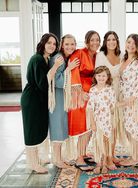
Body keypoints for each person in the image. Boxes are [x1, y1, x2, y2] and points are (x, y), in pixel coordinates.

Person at [21, 33, 62, 173]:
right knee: (32, 131)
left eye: (54, 44)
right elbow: (42, 84)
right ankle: (33, 163)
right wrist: (56, 67)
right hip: (32, 99)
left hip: (39, 99)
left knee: (39, 128)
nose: (52, 46)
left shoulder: (46, 58)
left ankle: (40, 158)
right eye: (49, 43)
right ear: (43, 43)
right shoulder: (37, 59)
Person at [65, 30, 100, 171]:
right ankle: (79, 159)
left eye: (97, 40)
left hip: (92, 94)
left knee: (90, 126)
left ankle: (83, 153)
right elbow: (73, 73)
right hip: (80, 95)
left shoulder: (97, 56)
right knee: (83, 127)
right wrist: (81, 92)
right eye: (92, 40)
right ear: (87, 41)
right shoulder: (79, 53)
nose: (95, 42)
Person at [47, 34, 79, 168]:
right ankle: (57, 159)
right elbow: (58, 81)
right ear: (62, 45)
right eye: (67, 44)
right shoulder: (58, 58)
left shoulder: (65, 57)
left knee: (60, 127)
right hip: (56, 99)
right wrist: (69, 69)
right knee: (57, 128)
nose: (70, 47)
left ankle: (59, 158)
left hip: (61, 98)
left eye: (72, 44)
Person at [118, 34, 138, 166]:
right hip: (125, 99)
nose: (131, 45)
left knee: (136, 129)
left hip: (136, 101)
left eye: (134, 44)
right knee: (129, 128)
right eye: (129, 42)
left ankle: (137, 158)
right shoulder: (123, 60)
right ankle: (135, 155)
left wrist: (130, 100)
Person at [95, 31, 122, 169]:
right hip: (105, 94)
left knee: (115, 126)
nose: (111, 42)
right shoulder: (100, 55)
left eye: (114, 39)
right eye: (109, 39)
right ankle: (105, 157)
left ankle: (111, 154)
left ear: (117, 41)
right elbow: (98, 74)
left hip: (118, 93)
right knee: (106, 127)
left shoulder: (121, 55)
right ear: (105, 42)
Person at [86, 66, 116, 174]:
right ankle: (98, 163)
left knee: (106, 141)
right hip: (97, 119)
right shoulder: (93, 90)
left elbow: (113, 107)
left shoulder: (110, 89)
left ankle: (104, 164)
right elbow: (89, 108)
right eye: (99, 75)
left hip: (107, 119)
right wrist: (92, 123)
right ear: (95, 76)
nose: (101, 78)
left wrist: (113, 121)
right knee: (97, 142)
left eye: (104, 75)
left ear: (107, 77)